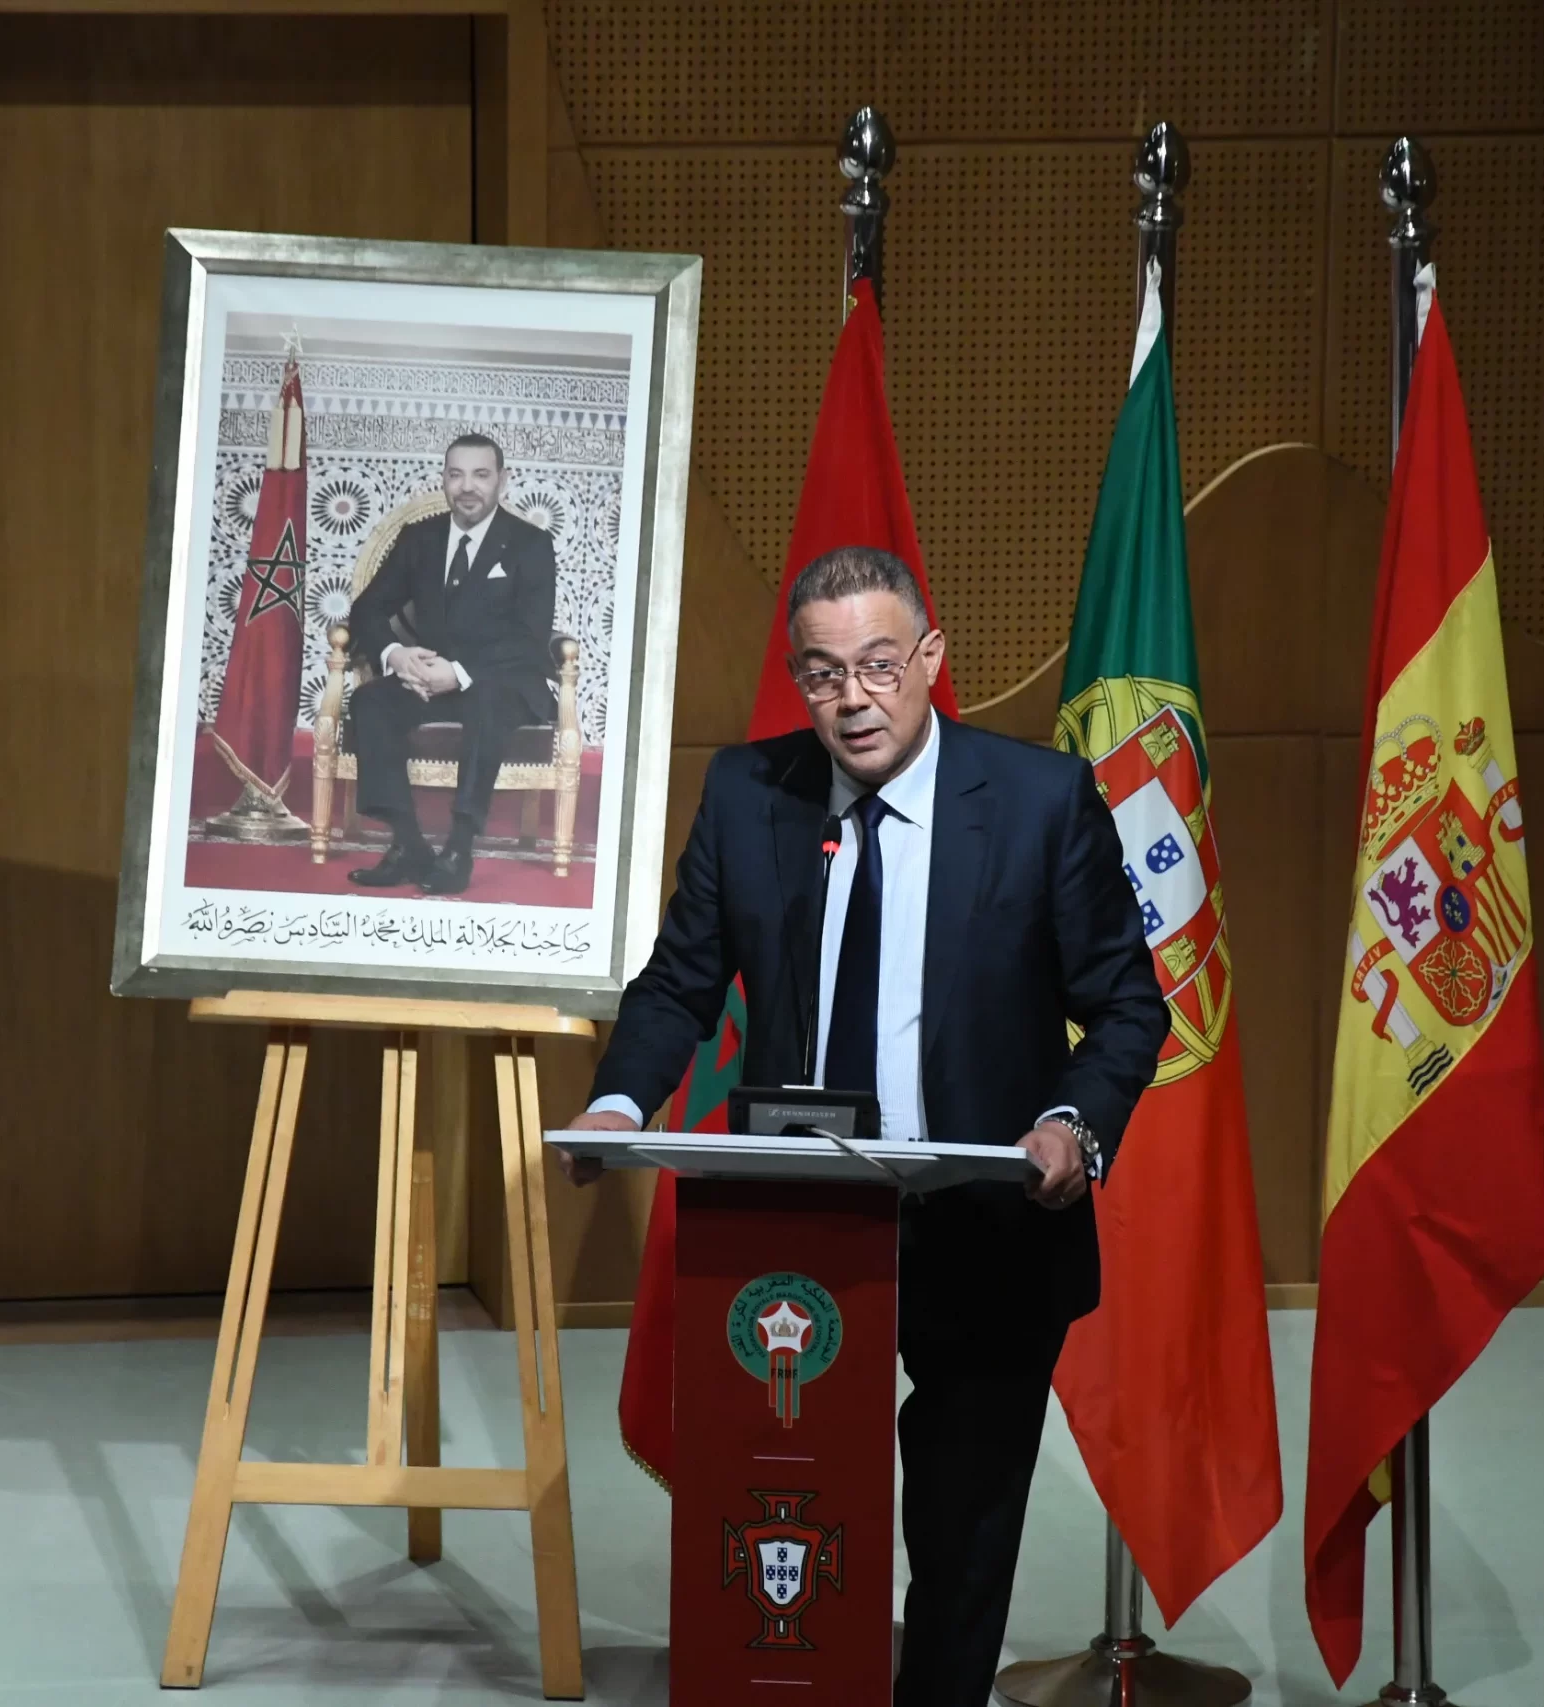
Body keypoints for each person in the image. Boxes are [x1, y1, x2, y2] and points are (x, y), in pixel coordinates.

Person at [565, 545, 1168, 1705]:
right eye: (825, 672)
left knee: (958, 1527)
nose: (854, 698)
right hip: (798, 1226)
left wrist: (1070, 1126)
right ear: (800, 679)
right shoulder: (752, 795)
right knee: (793, 1496)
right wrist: (618, 1101)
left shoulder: (1039, 802)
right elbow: (680, 983)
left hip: (983, 1217)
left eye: (880, 666)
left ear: (931, 662)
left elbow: (1128, 1006)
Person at [343, 433, 558, 895]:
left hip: (504, 683)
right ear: (443, 480)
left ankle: (459, 847)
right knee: (370, 703)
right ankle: (408, 844)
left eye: (481, 474)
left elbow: (529, 637)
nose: (468, 486)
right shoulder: (419, 539)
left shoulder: (531, 544)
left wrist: (457, 674)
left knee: (486, 700)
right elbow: (367, 609)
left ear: (503, 480)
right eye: (456, 474)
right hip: (428, 678)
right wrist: (397, 657)